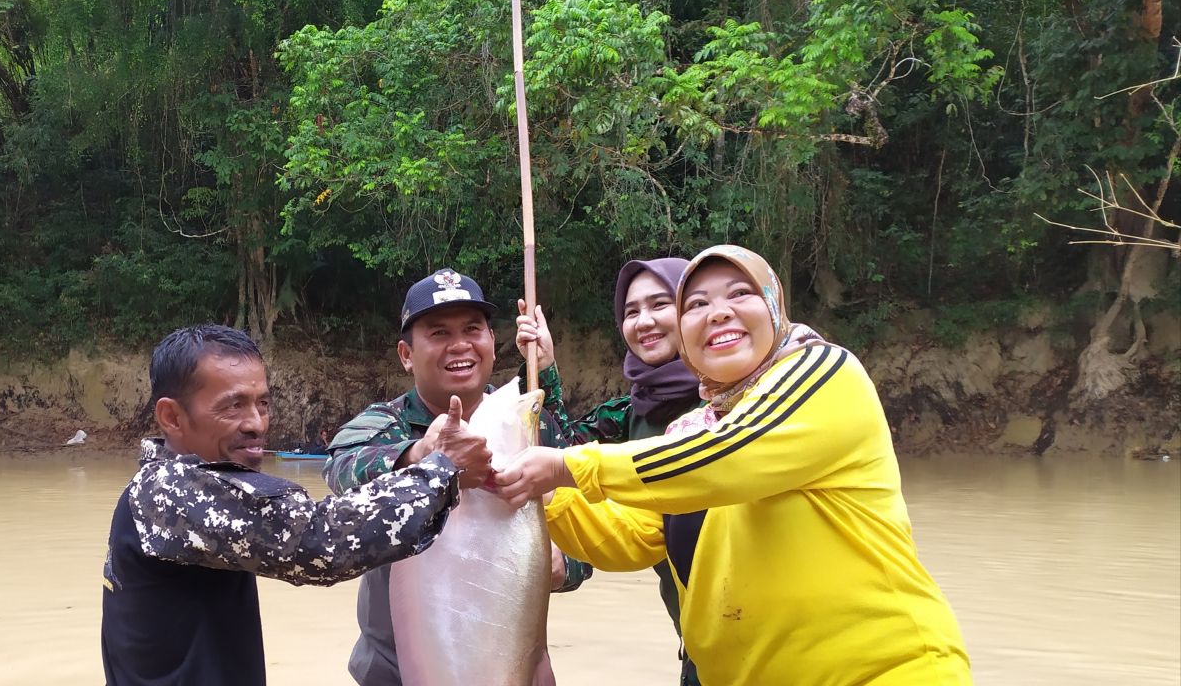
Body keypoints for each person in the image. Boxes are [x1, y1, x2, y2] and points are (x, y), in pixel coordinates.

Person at [493, 245, 973, 686]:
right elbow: (631, 536)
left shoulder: (824, 372)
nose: (718, 311)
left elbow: (726, 454)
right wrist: (546, 496)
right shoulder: (690, 430)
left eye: (740, 293)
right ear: (685, 335)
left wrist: (566, 467)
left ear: (774, 307)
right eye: (696, 304)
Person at [101, 324, 492, 686]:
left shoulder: (168, 483)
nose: (256, 423)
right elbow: (319, 542)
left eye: (262, 403)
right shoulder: (172, 490)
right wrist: (443, 471)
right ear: (172, 416)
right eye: (233, 406)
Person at [323, 268, 590, 686]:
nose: (460, 345)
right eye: (439, 333)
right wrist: (426, 455)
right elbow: (341, 470)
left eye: (472, 329)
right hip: (393, 672)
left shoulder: (523, 424)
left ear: (491, 343)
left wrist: (565, 564)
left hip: (505, 661)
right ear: (406, 354)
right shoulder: (388, 423)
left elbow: (587, 524)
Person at [516, 257, 703, 685]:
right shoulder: (631, 413)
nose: (645, 321)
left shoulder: (739, 404)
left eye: (660, 304)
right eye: (631, 311)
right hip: (700, 647)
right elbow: (563, 458)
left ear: (692, 310)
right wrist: (544, 368)